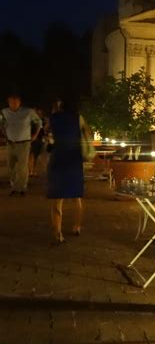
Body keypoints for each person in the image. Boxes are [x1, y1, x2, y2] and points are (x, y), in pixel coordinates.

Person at [47, 97, 91, 244]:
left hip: (58, 158)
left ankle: (57, 233)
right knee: (76, 196)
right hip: (74, 158)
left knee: (57, 199)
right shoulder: (78, 118)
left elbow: (49, 135)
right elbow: (87, 135)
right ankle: (76, 226)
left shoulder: (53, 118)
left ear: (60, 105)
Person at [1, 93, 42, 196]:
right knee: (11, 166)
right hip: (10, 143)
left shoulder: (28, 112)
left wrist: (35, 135)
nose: (13, 104)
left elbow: (39, 122)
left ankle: (22, 188)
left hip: (23, 143)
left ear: (19, 102)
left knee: (22, 167)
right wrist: (4, 132)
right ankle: (14, 187)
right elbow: (2, 123)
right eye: (11, 102)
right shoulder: (5, 112)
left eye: (15, 102)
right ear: (8, 102)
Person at [29, 108, 47, 176]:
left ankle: (33, 170)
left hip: (39, 140)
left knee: (35, 156)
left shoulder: (42, 121)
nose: (39, 114)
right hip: (32, 139)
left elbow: (44, 131)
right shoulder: (31, 121)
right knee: (31, 156)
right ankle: (30, 171)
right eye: (38, 113)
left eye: (40, 113)